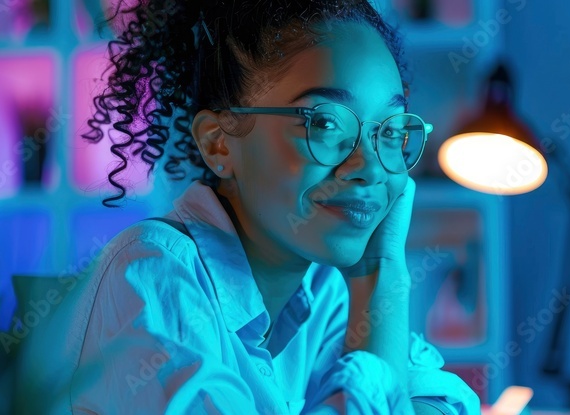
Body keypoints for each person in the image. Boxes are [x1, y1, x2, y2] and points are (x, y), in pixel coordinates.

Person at [68, 0, 480, 413]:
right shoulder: (151, 273)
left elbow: (444, 401)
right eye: (325, 123)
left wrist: (382, 273)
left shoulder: (324, 290)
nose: (371, 168)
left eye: (390, 131)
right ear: (219, 142)